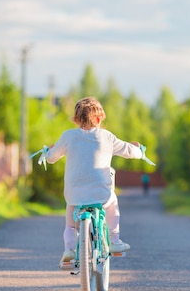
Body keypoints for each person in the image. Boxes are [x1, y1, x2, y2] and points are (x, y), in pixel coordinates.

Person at [45, 97, 143, 268]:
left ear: (76, 120)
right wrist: (138, 149)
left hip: (74, 194)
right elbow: (130, 152)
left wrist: (49, 151)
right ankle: (114, 239)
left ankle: (69, 249)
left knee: (70, 224)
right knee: (113, 201)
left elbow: (51, 157)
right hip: (101, 194)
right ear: (99, 119)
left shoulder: (68, 136)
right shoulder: (107, 137)